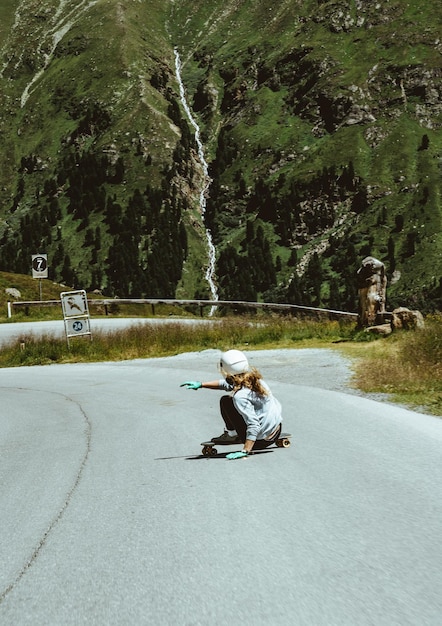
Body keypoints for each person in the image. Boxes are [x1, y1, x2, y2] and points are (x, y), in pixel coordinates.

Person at [180, 349, 283, 459]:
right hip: (276, 430)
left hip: (261, 442)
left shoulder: (240, 396)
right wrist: (201, 384)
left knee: (226, 401)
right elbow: (225, 384)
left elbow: (254, 424)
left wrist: (246, 451)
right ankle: (240, 435)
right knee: (232, 400)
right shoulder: (257, 381)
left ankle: (232, 435)